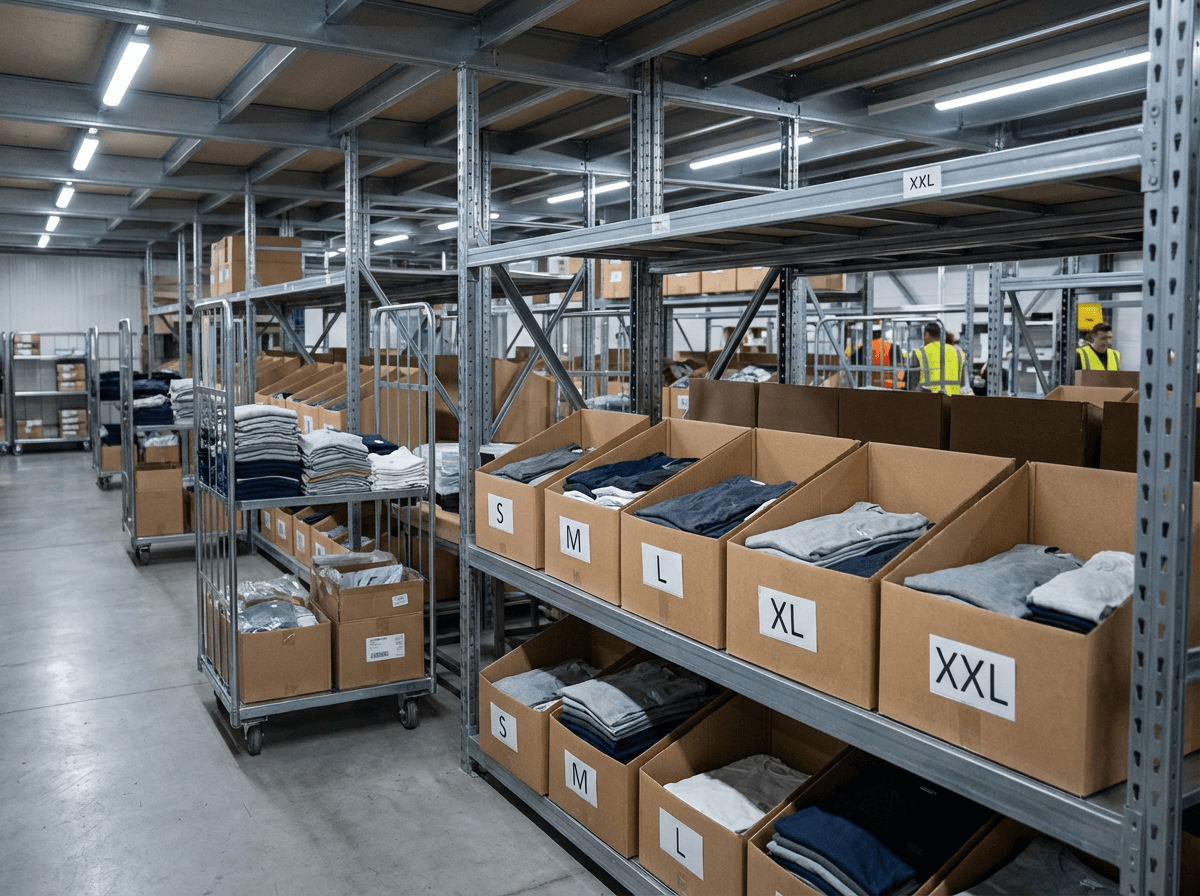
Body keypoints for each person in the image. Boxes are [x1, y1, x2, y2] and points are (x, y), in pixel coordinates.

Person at [908, 322, 969, 394]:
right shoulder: (959, 352)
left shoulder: (919, 353)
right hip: (953, 400)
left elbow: (913, 384)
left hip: (929, 400)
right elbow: (963, 383)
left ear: (926, 334)